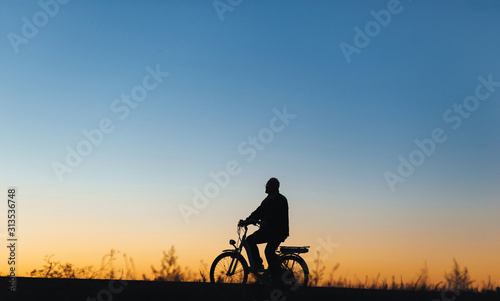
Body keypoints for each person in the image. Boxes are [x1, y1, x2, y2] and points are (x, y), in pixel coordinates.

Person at [239, 177, 289, 282]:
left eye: (267, 185)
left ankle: (277, 276)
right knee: (250, 240)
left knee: (269, 251)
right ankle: (258, 265)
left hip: (278, 231)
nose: (265, 187)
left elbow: (277, 215)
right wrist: (246, 221)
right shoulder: (266, 201)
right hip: (268, 231)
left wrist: (267, 221)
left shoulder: (280, 199)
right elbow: (257, 212)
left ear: (273, 187)